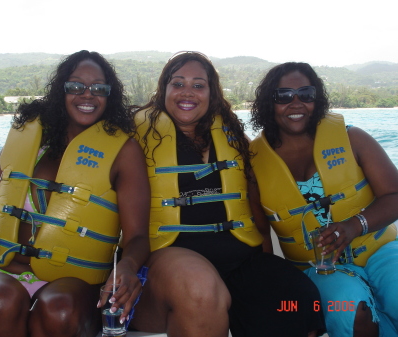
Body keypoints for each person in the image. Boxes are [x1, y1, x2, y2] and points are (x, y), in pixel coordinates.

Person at [0, 50, 150, 337]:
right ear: (61, 90)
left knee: (60, 308)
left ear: (110, 95)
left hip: (74, 281)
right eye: (76, 86)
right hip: (2, 273)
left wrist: (128, 267)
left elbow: (138, 236)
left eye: (99, 88)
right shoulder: (27, 138)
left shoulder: (123, 152)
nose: (87, 95)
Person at [130, 51, 325, 337]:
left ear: (212, 93)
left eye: (198, 85)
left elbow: (252, 199)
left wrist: (266, 259)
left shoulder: (231, 134)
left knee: (297, 296)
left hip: (239, 260)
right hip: (168, 262)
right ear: (164, 90)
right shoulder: (136, 136)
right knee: (200, 287)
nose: (188, 93)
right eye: (178, 83)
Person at [249, 61, 398, 337]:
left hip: (379, 249)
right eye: (283, 96)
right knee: (352, 312)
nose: (296, 103)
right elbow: (261, 234)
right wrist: (273, 291)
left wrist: (355, 225)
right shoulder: (255, 164)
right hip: (317, 269)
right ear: (269, 103)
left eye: (306, 94)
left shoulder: (352, 138)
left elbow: (394, 194)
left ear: (316, 100)